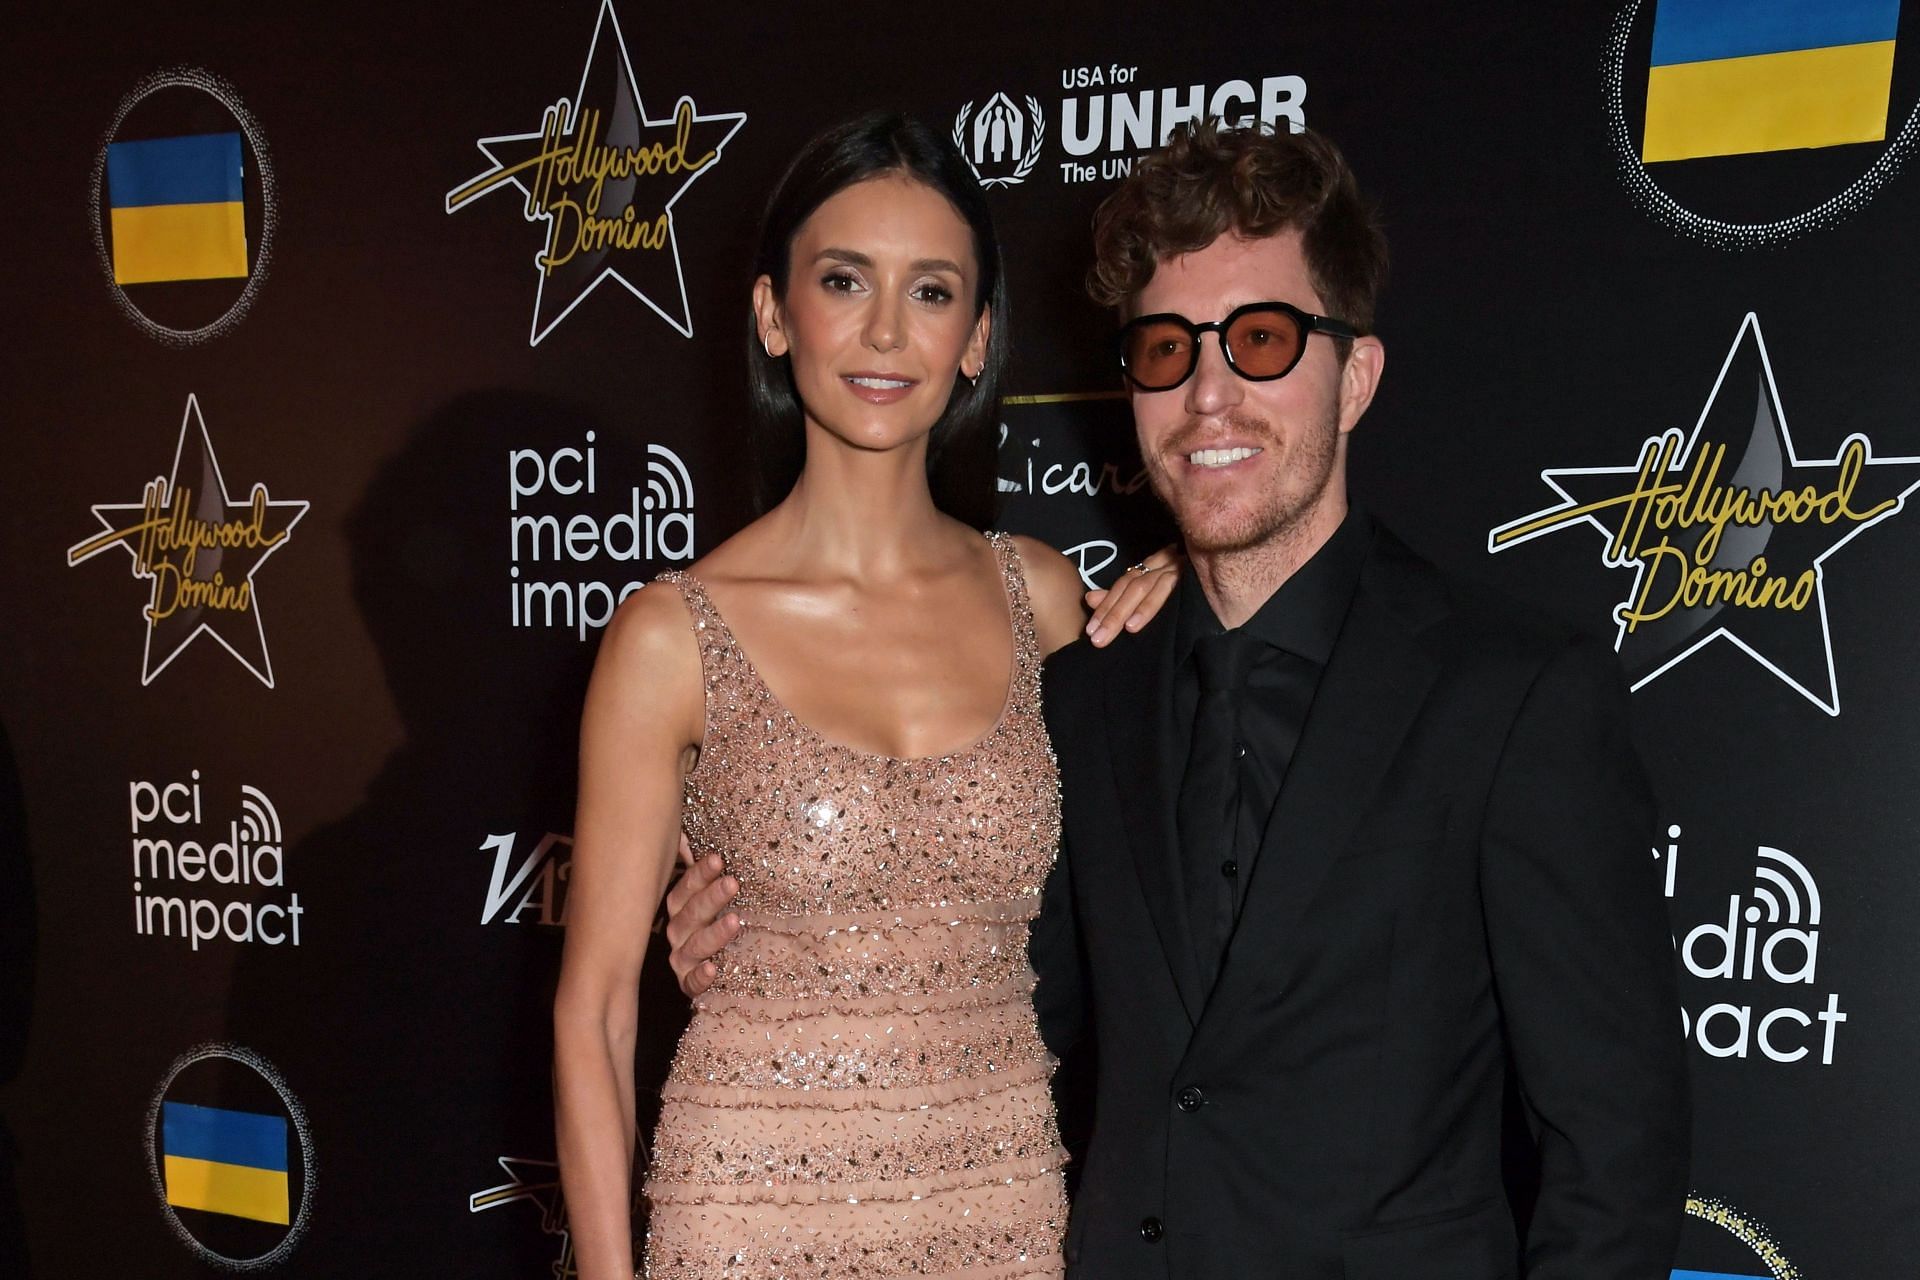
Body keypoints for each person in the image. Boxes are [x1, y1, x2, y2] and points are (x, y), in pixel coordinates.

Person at [667, 120, 1691, 1279]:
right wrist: (768, 957)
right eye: (1166, 350)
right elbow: (996, 1011)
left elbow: (1616, 1148)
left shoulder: (1513, 695)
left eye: (1261, 340)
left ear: (1355, 376)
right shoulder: (1083, 690)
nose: (1210, 394)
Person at [550, 113, 1176, 1280]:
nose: (887, 330)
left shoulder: (1041, 596)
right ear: (776, 313)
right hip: (745, 1215)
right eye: (845, 280)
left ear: (978, 337)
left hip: (1001, 1211)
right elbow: (592, 1017)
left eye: (932, 292)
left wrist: (1198, 572)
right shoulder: (669, 636)